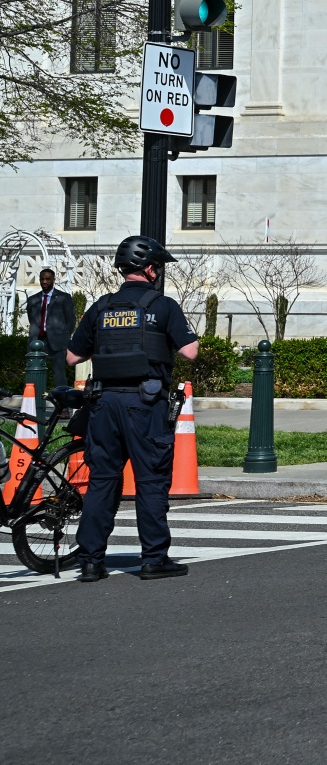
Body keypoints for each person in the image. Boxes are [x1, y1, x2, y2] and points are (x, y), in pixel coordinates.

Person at [64, 236, 200, 582]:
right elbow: (190, 352)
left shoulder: (101, 307)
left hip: (103, 404)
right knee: (151, 481)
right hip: (145, 404)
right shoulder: (163, 306)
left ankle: (91, 561)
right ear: (150, 268)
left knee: (102, 481)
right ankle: (154, 559)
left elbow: (72, 356)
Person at [26, 267, 74, 365]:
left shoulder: (64, 298)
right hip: (37, 341)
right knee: (34, 371)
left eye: (47, 279)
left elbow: (71, 320)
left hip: (58, 342)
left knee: (58, 374)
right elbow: (31, 318)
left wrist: (64, 337)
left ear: (53, 280)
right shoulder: (33, 300)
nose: (44, 281)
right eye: (42, 279)